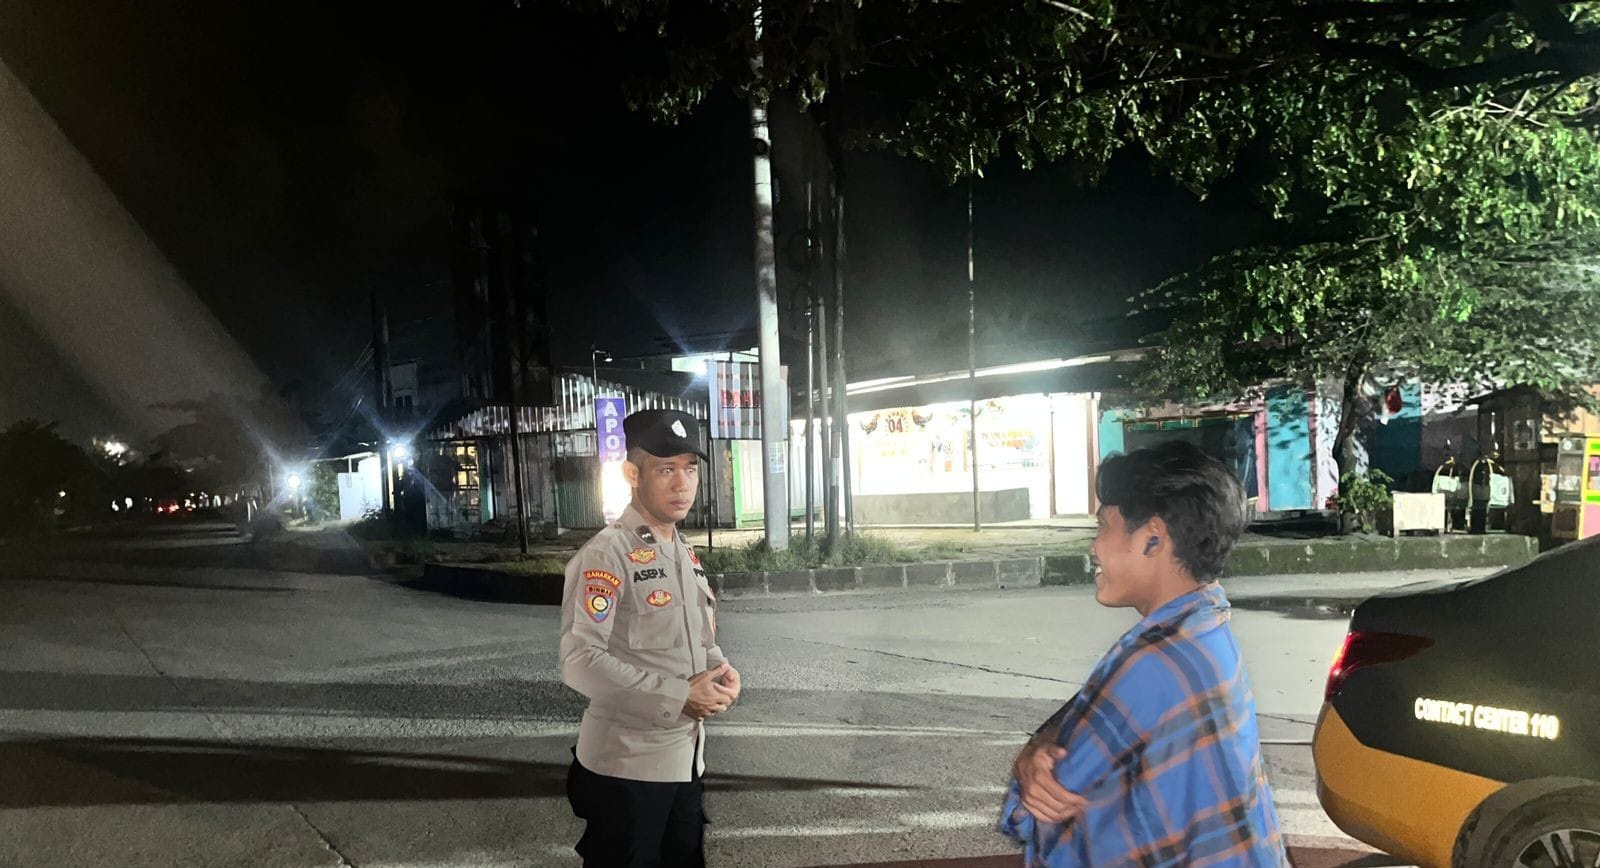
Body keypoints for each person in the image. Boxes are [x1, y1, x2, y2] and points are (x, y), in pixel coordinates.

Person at [999, 441, 1287, 868]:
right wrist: (1040, 744)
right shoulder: (1205, 625)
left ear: (1153, 538)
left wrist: (1030, 764)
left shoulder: (1155, 660)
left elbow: (1037, 809)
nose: (1094, 546)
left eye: (1103, 526)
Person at [561, 408, 740, 868]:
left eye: (690, 468)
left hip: (686, 761)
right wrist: (679, 696)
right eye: (666, 469)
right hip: (626, 769)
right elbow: (580, 660)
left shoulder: (682, 552)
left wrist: (721, 670)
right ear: (632, 474)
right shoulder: (607, 554)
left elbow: (698, 639)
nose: (683, 484)